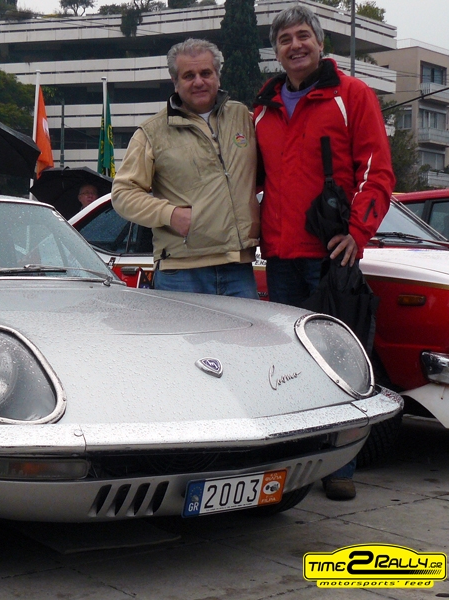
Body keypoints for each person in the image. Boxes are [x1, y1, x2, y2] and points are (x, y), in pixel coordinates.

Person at [253, 5, 395, 501]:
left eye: (303, 36)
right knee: (288, 367)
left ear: (319, 42)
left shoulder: (352, 95)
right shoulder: (263, 108)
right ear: (276, 52)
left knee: (340, 363)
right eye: (285, 39)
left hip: (332, 257)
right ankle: (298, 461)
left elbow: (377, 171)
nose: (295, 45)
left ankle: (341, 466)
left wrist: (358, 233)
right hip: (280, 256)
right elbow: (250, 180)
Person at [112, 38, 260, 298]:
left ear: (218, 76)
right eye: (189, 75)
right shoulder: (152, 132)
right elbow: (123, 194)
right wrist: (170, 214)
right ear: (175, 81)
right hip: (181, 273)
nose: (198, 81)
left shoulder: (243, 118)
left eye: (206, 73)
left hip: (239, 267)